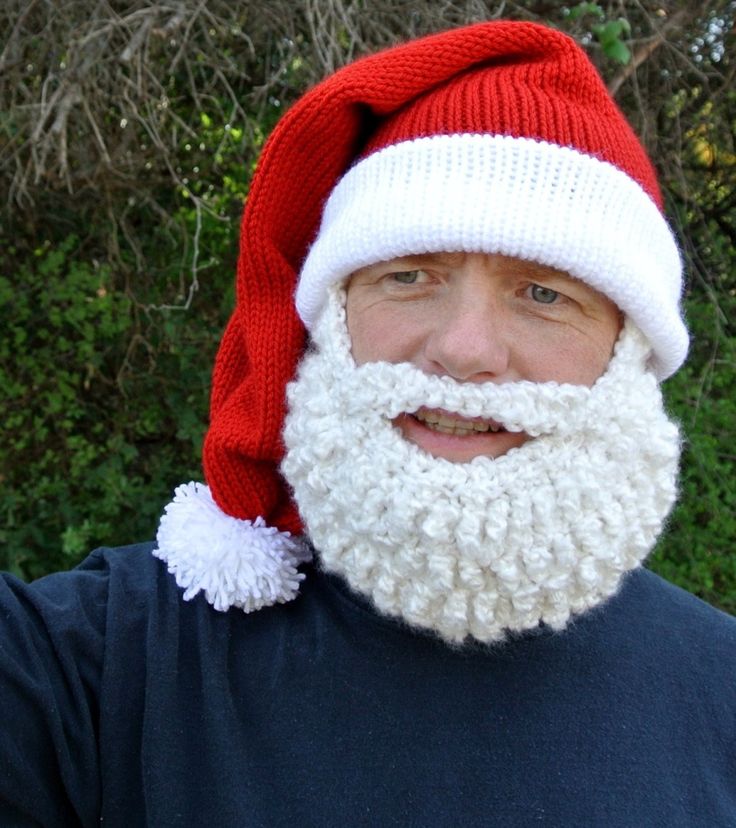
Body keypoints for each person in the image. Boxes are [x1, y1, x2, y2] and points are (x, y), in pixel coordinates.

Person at [1, 20, 735, 827]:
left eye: (545, 293)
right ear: (335, 319)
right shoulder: (105, 664)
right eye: (410, 275)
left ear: (627, 347)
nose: (464, 351)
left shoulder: (721, 697)